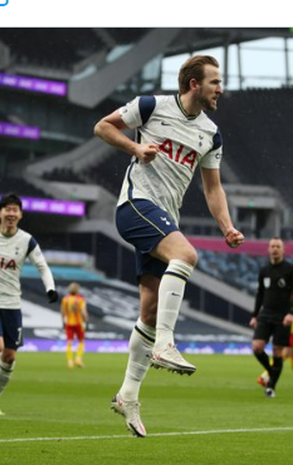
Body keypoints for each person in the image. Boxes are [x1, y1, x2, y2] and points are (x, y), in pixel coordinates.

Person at [94, 54, 244, 437]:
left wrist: (227, 226)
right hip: (135, 206)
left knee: (150, 308)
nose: (220, 89)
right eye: (215, 82)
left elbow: (213, 188)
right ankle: (166, 343)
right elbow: (102, 127)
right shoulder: (152, 106)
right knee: (186, 254)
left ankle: (128, 395)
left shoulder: (211, 134)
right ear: (195, 84)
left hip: (164, 218)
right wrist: (135, 149)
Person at [0, 193, 58, 416]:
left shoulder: (27, 240)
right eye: (7, 209)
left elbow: (42, 266)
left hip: (12, 303)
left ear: (20, 215)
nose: (11, 214)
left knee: (10, 356)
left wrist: (50, 288)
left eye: (15, 210)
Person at [249, 238, 293, 398]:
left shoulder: (290, 270)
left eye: (278, 246)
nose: (275, 249)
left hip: (282, 316)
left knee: (277, 352)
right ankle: (272, 372)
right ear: (268, 249)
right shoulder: (264, 270)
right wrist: (255, 315)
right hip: (265, 314)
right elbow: (260, 294)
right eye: (272, 246)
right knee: (257, 347)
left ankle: (271, 387)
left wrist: (291, 313)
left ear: (283, 250)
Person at [60, 282, 89, 369]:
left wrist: (63, 322)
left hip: (69, 323)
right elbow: (84, 312)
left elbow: (63, 312)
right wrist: (87, 321)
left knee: (69, 342)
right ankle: (78, 359)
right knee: (81, 341)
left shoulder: (65, 299)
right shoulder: (81, 299)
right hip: (78, 324)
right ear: (78, 290)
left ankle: (70, 362)